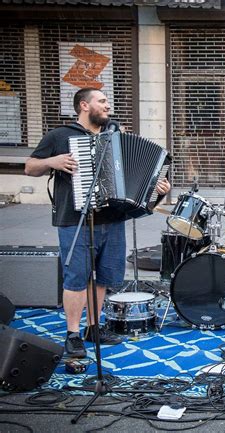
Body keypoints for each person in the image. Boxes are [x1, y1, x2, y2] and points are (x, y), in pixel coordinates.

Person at [25, 87, 170, 358]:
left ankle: (93, 327)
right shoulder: (60, 136)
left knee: (103, 277)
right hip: (75, 218)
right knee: (76, 278)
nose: (108, 106)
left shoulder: (113, 138)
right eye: (102, 101)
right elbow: (30, 167)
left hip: (112, 219)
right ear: (84, 105)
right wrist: (53, 161)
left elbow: (135, 180)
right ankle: (73, 334)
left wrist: (157, 191)